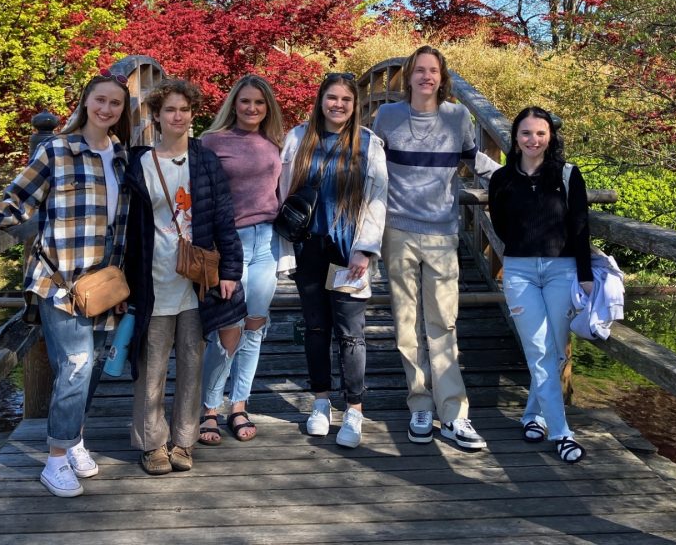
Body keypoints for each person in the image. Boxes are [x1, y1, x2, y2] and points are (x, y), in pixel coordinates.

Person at [0, 70, 132, 497]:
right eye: (100, 100)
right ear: (86, 102)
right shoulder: (57, 150)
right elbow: (19, 198)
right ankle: (54, 460)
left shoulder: (124, 156)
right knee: (75, 364)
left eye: (116, 103)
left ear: (123, 111)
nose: (106, 109)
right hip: (60, 279)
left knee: (93, 367)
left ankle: (75, 442)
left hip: (107, 281)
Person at [373, 45, 495, 450]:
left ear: (442, 79)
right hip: (397, 231)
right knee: (406, 323)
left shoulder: (458, 117)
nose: (427, 77)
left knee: (443, 322)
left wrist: (533, 177)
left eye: (434, 71)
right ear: (407, 76)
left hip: (442, 233)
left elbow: (475, 162)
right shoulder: (386, 116)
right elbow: (366, 167)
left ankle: (455, 414)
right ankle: (419, 403)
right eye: (420, 70)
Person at [124, 78, 244, 476]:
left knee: (193, 362)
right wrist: (125, 280)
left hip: (197, 279)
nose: (178, 116)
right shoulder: (138, 163)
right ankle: (152, 443)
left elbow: (224, 218)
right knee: (152, 365)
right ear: (156, 116)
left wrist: (230, 271)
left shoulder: (205, 160)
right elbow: (126, 228)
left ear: (194, 114)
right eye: (170, 110)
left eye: (185, 109)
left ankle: (184, 441)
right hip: (154, 277)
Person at [277, 72, 387, 449]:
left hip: (347, 251)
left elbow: (377, 199)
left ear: (355, 105)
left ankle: (354, 409)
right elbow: (283, 193)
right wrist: (284, 246)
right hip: (310, 247)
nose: (338, 105)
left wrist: (366, 247)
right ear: (320, 100)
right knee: (316, 328)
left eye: (346, 99)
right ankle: (321, 401)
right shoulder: (297, 138)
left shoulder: (369, 144)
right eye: (331, 97)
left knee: (350, 334)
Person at [487, 106, 589, 463]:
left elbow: (580, 226)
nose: (533, 140)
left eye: (540, 133)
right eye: (527, 133)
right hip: (519, 272)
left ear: (550, 137)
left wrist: (586, 276)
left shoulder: (567, 174)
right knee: (539, 350)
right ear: (515, 137)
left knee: (556, 351)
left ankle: (533, 415)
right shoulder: (501, 179)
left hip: (562, 270)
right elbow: (499, 225)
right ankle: (562, 433)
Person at [198, 75, 283, 443]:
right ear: (234, 103)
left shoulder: (275, 143)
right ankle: (209, 408)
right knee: (226, 330)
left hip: (267, 241)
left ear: (268, 108)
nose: (252, 108)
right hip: (228, 245)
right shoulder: (211, 142)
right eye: (245, 101)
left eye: (259, 103)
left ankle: (239, 404)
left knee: (255, 325)